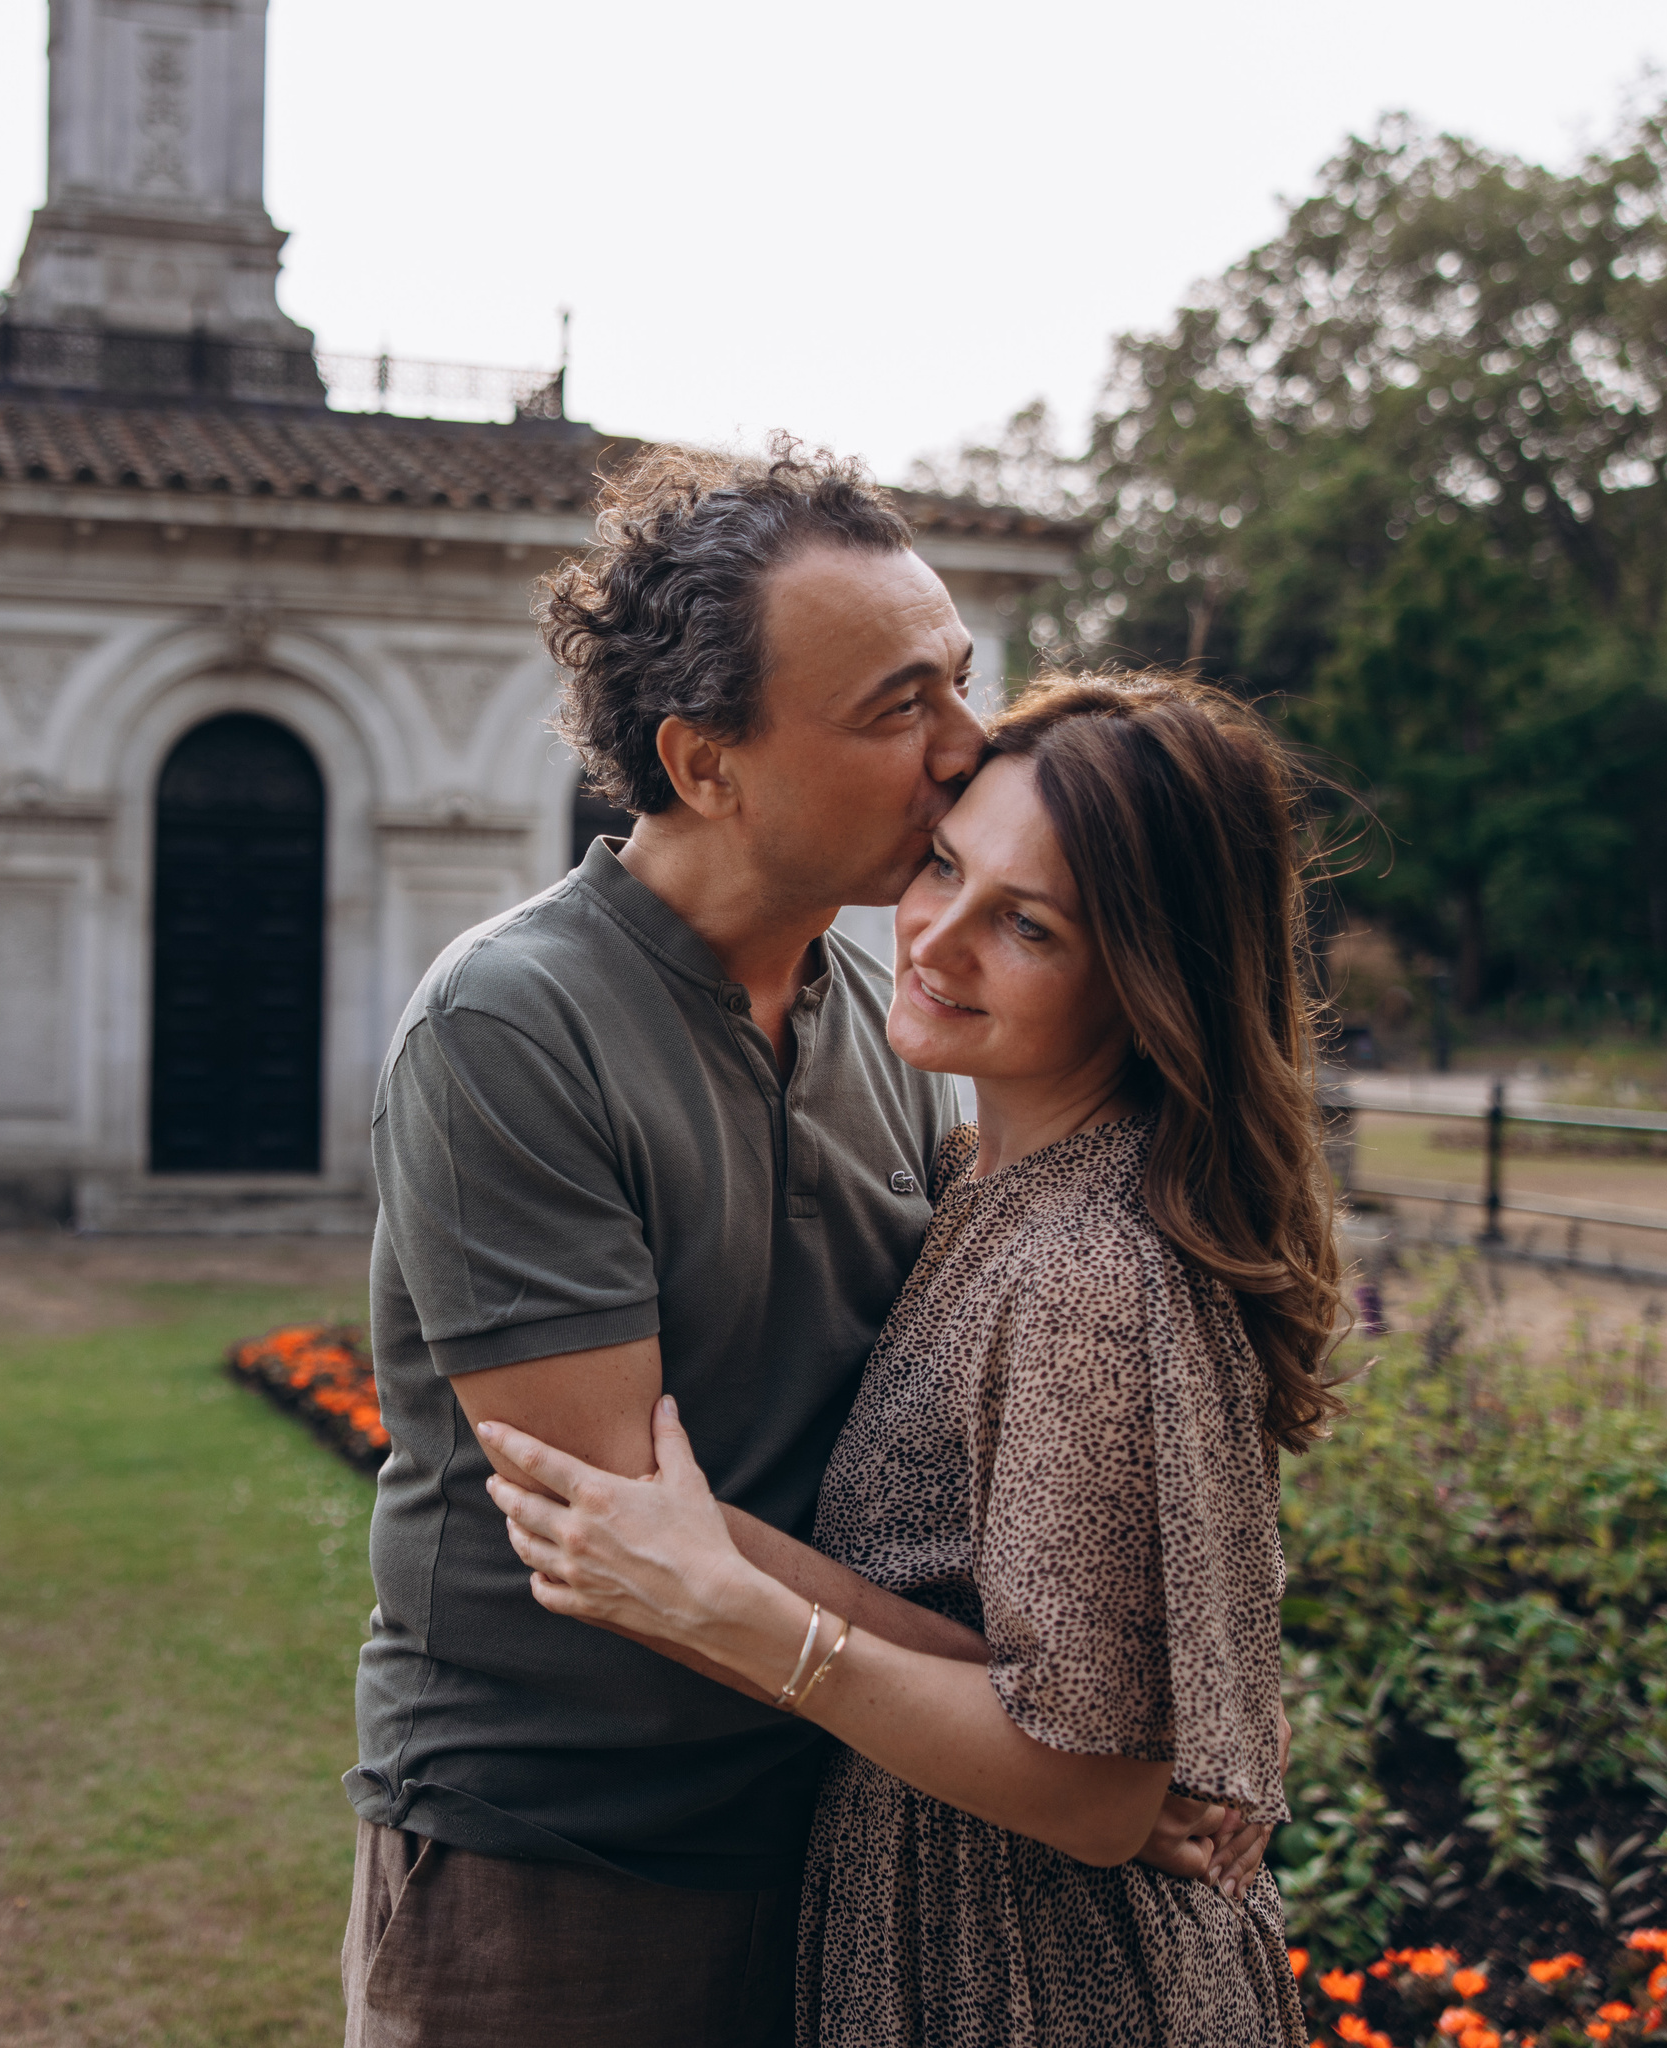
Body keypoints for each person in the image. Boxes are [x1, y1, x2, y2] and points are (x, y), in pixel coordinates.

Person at [344, 446, 1266, 2048]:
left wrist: (1076, 1737)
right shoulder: (511, 1027)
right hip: (565, 1855)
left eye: (960, 680)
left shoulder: (887, 1029)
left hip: (848, 1826)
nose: (969, 745)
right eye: (898, 705)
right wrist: (1084, 1744)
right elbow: (630, 1533)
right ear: (707, 765)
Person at [482, 673, 1342, 2045]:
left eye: (1029, 924)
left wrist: (739, 1616)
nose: (937, 936)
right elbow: (1051, 1682)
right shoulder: (984, 1192)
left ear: (1144, 978)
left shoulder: (1085, 1273)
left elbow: (1093, 1790)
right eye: (946, 864)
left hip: (1040, 1976)